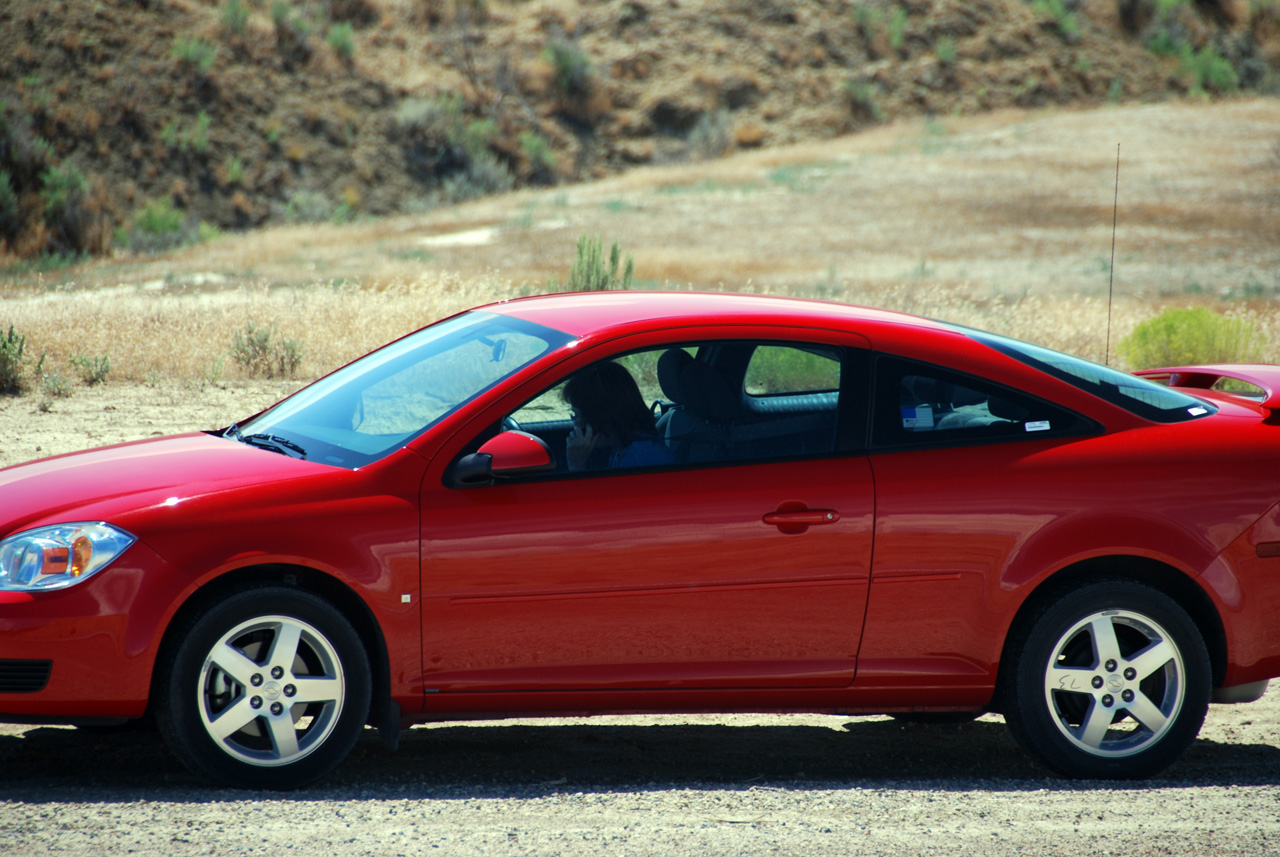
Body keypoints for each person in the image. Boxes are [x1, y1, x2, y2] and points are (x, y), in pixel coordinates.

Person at [562, 361, 674, 472]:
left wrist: (576, 465)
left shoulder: (641, 457)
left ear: (601, 416)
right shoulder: (627, 448)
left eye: (578, 416)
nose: (577, 426)